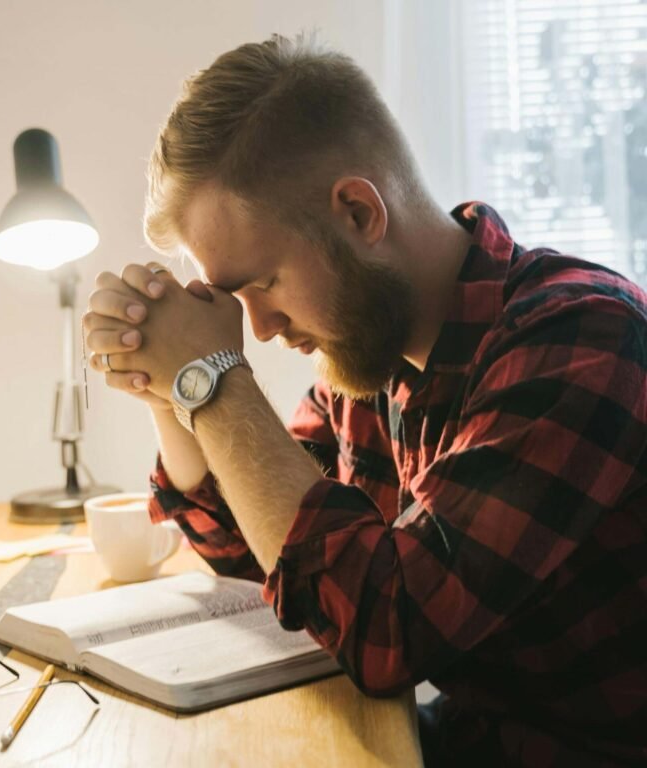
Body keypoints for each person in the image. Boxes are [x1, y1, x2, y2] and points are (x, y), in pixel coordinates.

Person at [83, 34, 647, 767]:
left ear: (357, 212)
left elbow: (389, 624)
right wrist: (167, 390)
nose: (258, 328)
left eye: (262, 284)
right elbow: (264, 558)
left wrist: (211, 377)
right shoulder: (371, 358)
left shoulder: (582, 338)